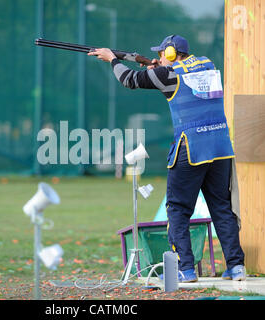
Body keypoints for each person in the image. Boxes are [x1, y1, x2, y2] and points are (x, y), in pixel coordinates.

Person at [88, 35, 245, 282]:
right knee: (222, 208)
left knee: (178, 210)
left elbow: (129, 80)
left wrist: (111, 59)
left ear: (171, 53)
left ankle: (186, 269)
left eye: (162, 53)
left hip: (191, 148)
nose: (159, 57)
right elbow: (185, 81)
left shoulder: (167, 75)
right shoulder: (208, 65)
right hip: (220, 147)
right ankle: (236, 267)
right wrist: (158, 67)